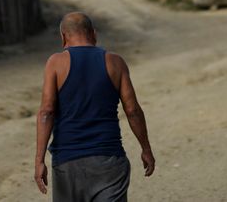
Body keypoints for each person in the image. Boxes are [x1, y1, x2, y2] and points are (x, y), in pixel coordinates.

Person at [34, 12, 155, 201]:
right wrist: (146, 149)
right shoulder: (115, 62)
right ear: (94, 34)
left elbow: (46, 111)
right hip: (109, 161)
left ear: (63, 37)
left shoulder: (55, 63)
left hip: (68, 163)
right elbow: (132, 111)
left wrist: (39, 160)